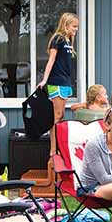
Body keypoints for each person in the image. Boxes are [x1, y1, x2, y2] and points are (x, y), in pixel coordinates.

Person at [39, 12, 79, 151]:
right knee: (56, 116)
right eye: (74, 26)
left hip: (65, 82)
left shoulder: (68, 41)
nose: (76, 29)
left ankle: (58, 148)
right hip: (56, 82)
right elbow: (51, 61)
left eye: (77, 26)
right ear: (66, 25)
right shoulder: (58, 39)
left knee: (61, 116)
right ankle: (53, 150)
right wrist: (44, 80)